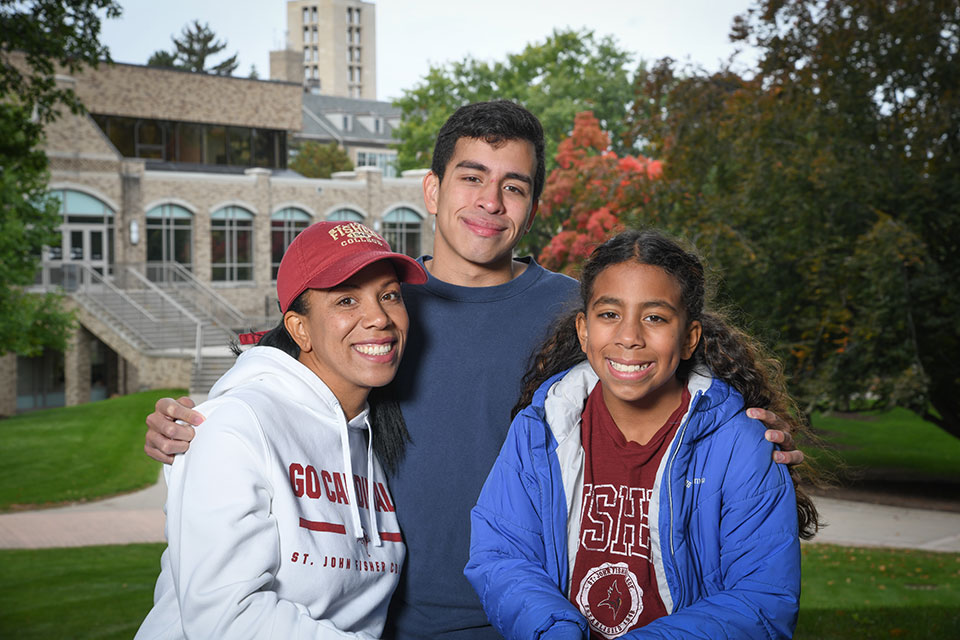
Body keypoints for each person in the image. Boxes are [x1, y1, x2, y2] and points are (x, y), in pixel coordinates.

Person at [142, 101, 805, 639]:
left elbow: (653, 372)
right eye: (471, 177)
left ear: (531, 205)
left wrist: (746, 426)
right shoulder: (380, 315)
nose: (490, 201)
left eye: (512, 186)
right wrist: (183, 426)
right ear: (431, 189)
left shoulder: (575, 311)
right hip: (383, 620)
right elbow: (277, 392)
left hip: (542, 615)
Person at [465, 229, 818, 639]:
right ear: (584, 330)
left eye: (655, 317)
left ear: (689, 338)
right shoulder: (540, 429)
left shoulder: (740, 445)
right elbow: (502, 555)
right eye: (610, 314)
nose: (629, 337)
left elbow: (761, 599)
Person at [135, 221, 427, 639]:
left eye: (389, 295)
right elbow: (225, 618)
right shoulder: (237, 426)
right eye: (346, 300)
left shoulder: (368, 435)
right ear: (299, 329)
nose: (379, 316)